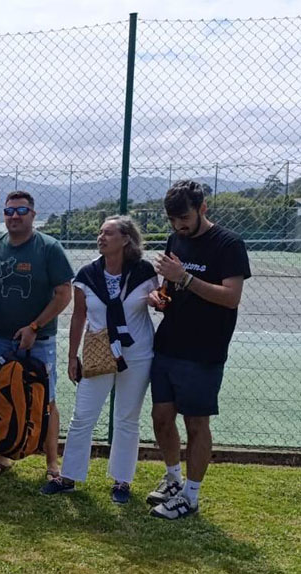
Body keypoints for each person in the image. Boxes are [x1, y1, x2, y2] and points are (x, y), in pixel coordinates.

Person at [146, 180, 249, 520]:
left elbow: (230, 297)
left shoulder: (229, 244)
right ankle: (173, 479)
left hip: (204, 349)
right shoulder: (176, 239)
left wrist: (185, 277)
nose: (178, 227)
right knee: (161, 418)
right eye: (172, 220)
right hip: (169, 343)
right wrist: (160, 299)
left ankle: (191, 496)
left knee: (196, 423)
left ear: (203, 208)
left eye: (185, 218)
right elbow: (170, 287)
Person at [43, 216, 157, 503]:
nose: (101, 237)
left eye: (108, 233)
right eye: (100, 232)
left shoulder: (144, 272)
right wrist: (72, 356)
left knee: (127, 419)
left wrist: (160, 300)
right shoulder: (87, 274)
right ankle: (68, 477)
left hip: (137, 354)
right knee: (82, 416)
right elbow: (79, 316)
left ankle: (122, 481)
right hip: (98, 353)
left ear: (126, 239)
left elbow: (160, 300)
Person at [0, 190, 73, 480]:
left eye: (21, 211)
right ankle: (3, 456)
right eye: (9, 211)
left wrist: (34, 327)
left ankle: (52, 464)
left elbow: (63, 294)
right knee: (1, 394)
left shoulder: (49, 248)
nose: (14, 217)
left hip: (39, 341)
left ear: (33, 214)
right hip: (1, 339)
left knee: (47, 399)